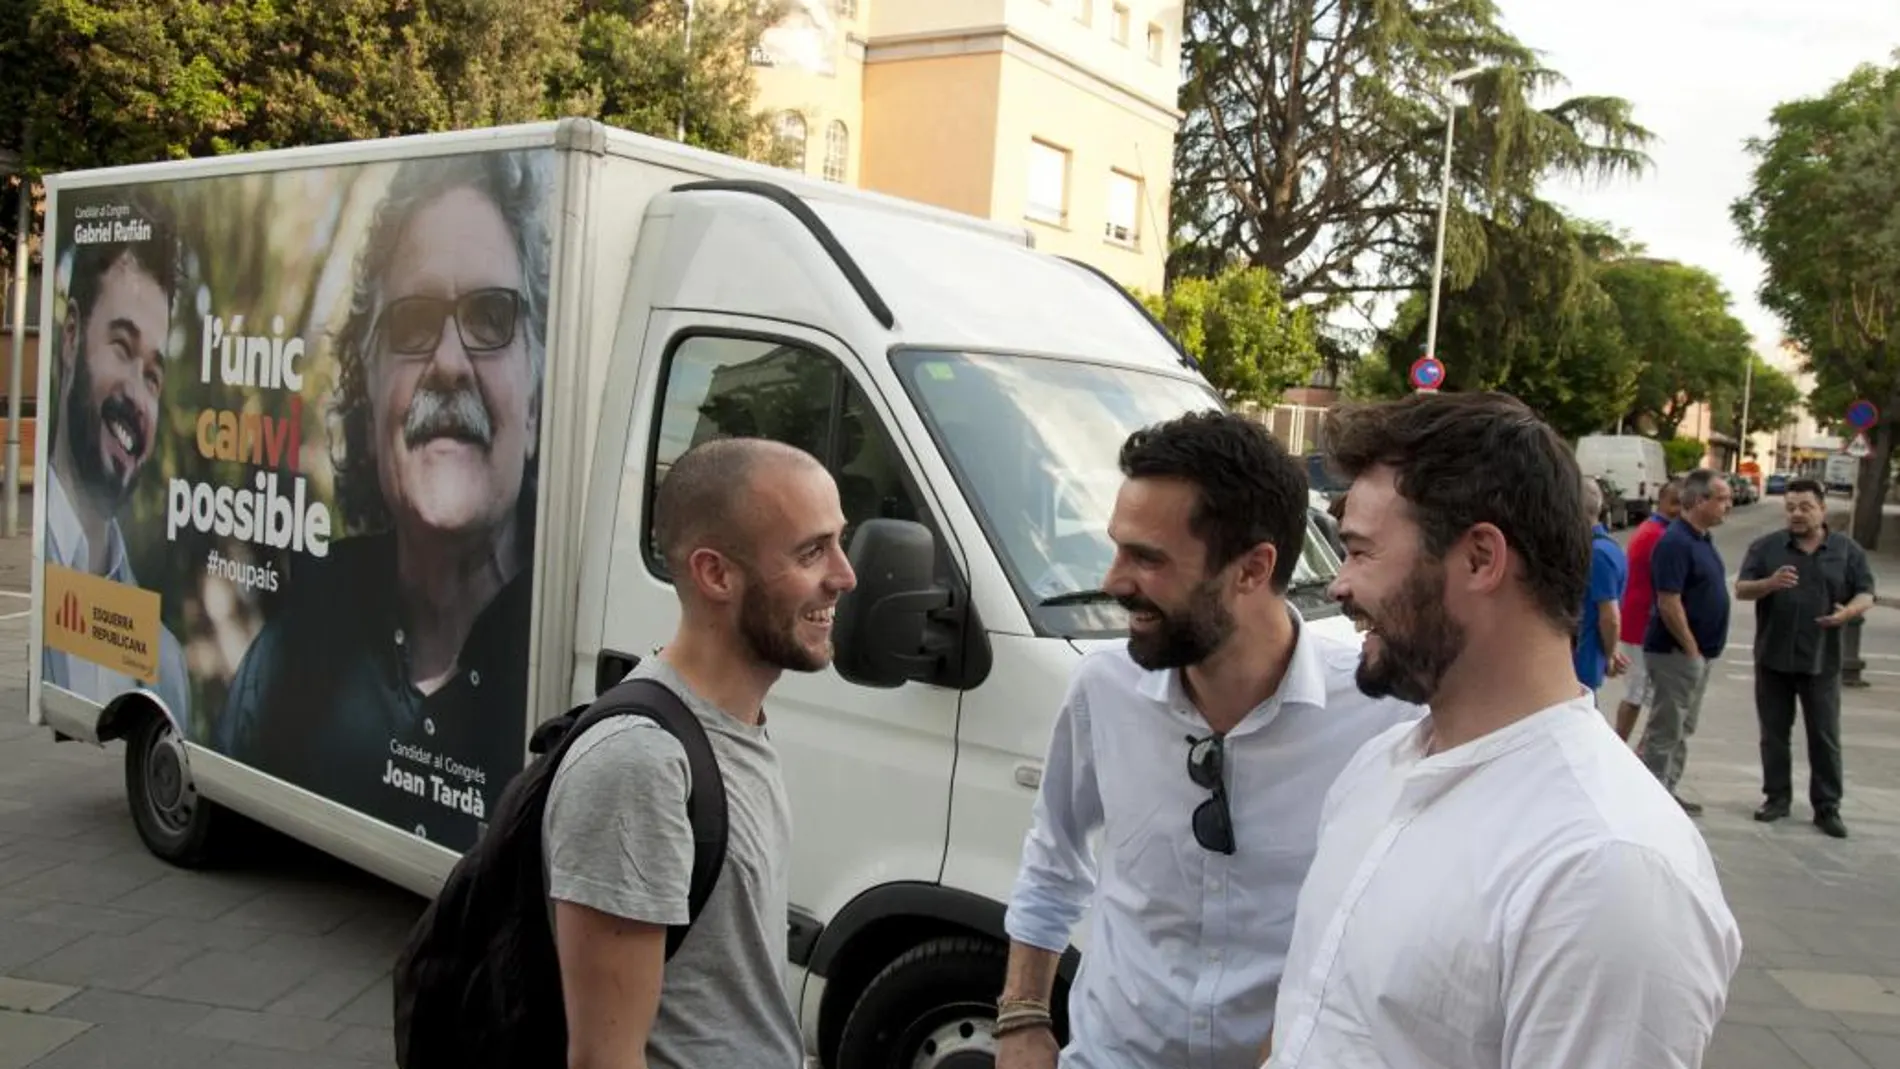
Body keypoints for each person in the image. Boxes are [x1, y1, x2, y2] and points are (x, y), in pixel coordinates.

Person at [1266, 391, 1740, 1069]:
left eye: (1361, 552)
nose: (1339, 586)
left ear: (1481, 559)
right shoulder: (1380, 766)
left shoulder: (1607, 868)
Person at [996, 410, 1423, 1069]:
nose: (1113, 581)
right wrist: (1022, 1017)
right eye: (1117, 547)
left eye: (1147, 557)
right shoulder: (1102, 689)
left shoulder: (1382, 717)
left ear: (1252, 569)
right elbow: (1054, 856)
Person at [216, 152, 552, 849]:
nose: (451, 363)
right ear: (368, 395)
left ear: (540, 399)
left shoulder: (572, 666)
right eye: (412, 321)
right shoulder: (284, 663)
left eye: (491, 315)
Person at [544, 436, 855, 1069]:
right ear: (716, 574)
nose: (844, 575)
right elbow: (605, 1059)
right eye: (812, 551)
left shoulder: (735, 724)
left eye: (839, 541)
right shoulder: (641, 765)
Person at [41, 188, 193, 730]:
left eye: (153, 375)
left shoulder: (164, 661)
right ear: (71, 336)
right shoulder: (38, 578)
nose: (136, 393)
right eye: (123, 347)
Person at [1734, 477, 1876, 838]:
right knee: (1774, 734)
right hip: (1773, 656)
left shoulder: (1846, 550)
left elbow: (1866, 593)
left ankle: (1827, 807)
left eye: (1805, 507)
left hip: (1822, 661)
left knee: (1825, 735)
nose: (1797, 514)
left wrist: (1847, 614)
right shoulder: (1767, 548)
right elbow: (1741, 588)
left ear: (1822, 509)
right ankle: (1776, 798)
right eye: (1791, 508)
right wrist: (1768, 584)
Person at [1637, 468, 1734, 815]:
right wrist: (1690, 647)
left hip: (1699, 653)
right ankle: (1649, 799)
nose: (1728, 505)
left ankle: (1667, 790)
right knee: (1667, 727)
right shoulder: (1675, 542)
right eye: (1721, 498)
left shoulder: (1702, 539)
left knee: (1683, 727)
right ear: (1697, 500)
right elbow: (1669, 600)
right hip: (1676, 652)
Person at [1611, 480, 1682, 741]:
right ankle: (1622, 748)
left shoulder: (1652, 530)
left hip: (1639, 622)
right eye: (1675, 503)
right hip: (1641, 624)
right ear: (1661, 502)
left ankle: (1623, 747)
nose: (1679, 510)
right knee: (1638, 692)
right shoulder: (1658, 535)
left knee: (1639, 692)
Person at [1573, 475, 1629, 695]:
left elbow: (1610, 617)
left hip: (1582, 666)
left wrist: (1610, 654)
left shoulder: (1597, 554)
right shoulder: (1605, 547)